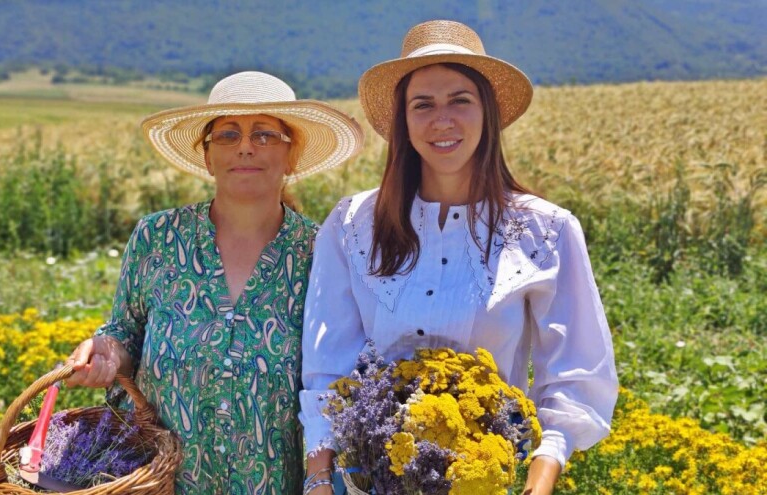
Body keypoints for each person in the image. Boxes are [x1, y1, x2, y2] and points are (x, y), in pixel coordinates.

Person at [300, 21, 618, 495]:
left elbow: (576, 372)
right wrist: (319, 479)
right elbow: (328, 364)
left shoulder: (546, 230)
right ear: (403, 122)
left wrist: (541, 474)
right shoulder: (352, 224)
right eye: (423, 104)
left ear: (487, 112)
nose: (442, 120)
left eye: (460, 100)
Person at [64, 71, 363, 494]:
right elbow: (125, 334)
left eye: (264, 134)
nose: (245, 146)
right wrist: (107, 351)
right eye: (227, 134)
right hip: (160, 485)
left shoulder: (322, 252)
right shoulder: (157, 238)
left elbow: (334, 379)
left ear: (291, 155)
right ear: (207, 157)